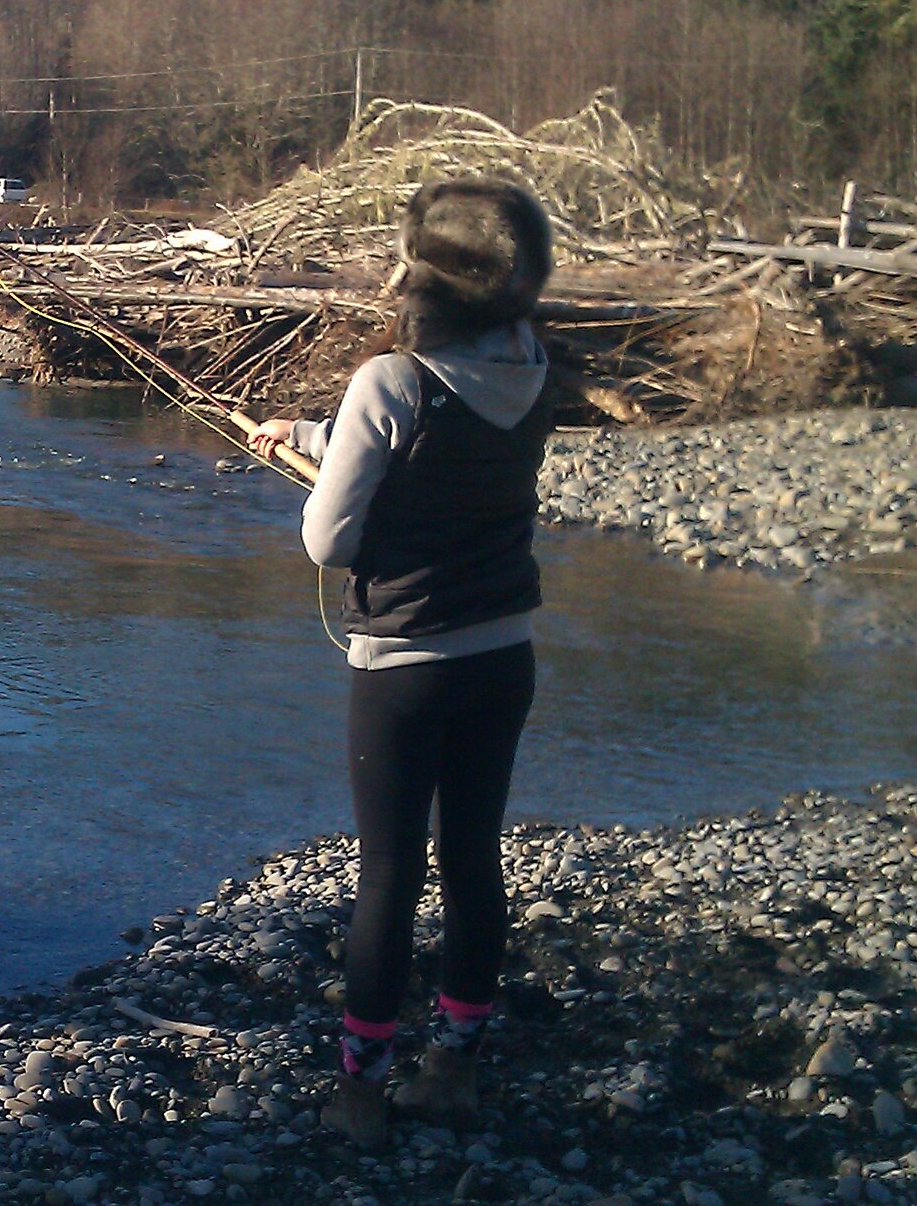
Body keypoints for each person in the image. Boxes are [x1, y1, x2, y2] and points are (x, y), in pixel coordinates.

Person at [247, 178, 554, 1148]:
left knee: (386, 876)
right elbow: (427, 432)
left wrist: (322, 470)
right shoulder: (533, 362)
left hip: (405, 667)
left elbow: (326, 543)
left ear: (428, 279)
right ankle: (452, 1069)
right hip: (504, 654)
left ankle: (359, 1091)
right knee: (472, 861)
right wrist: (304, 437)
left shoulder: (387, 379)